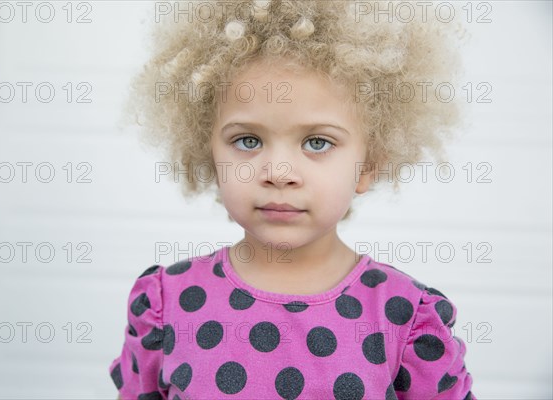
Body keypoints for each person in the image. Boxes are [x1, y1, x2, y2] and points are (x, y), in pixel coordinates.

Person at [109, 1, 476, 398]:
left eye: (317, 142)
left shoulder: (407, 318)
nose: (279, 173)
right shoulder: (167, 303)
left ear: (367, 166)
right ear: (208, 154)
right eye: (247, 141)